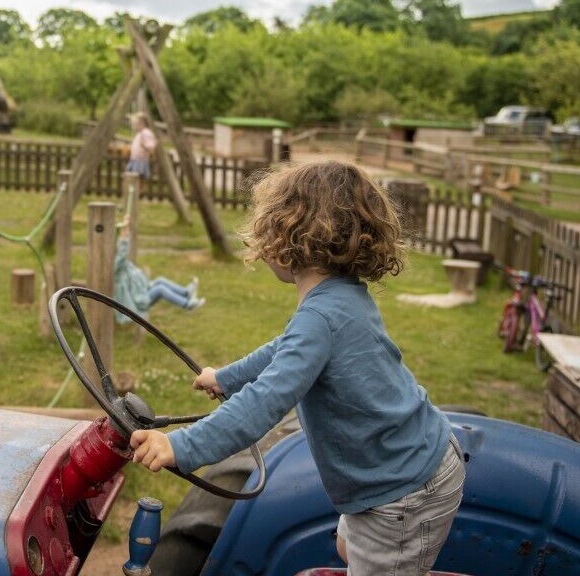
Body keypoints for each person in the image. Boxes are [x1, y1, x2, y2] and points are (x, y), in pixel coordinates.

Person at [128, 160, 465, 575]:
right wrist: (227, 377)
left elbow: (264, 403)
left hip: (404, 490)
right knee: (347, 547)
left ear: (287, 237)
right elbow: (283, 349)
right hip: (410, 458)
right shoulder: (341, 297)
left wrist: (181, 446)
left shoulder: (322, 316)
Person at [113, 233, 203, 324]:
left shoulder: (124, 266)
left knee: (160, 280)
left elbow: (133, 276)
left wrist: (144, 275)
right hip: (140, 302)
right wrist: (124, 238)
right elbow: (122, 255)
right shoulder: (117, 269)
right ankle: (187, 305)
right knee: (160, 289)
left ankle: (186, 293)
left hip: (142, 293)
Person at [126, 112, 157, 179]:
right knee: (134, 179)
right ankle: (137, 189)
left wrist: (145, 145)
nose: (134, 126)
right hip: (135, 159)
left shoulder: (146, 132)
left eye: (135, 124)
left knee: (138, 179)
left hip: (140, 160)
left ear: (141, 123)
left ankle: (139, 189)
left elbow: (151, 145)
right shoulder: (140, 133)